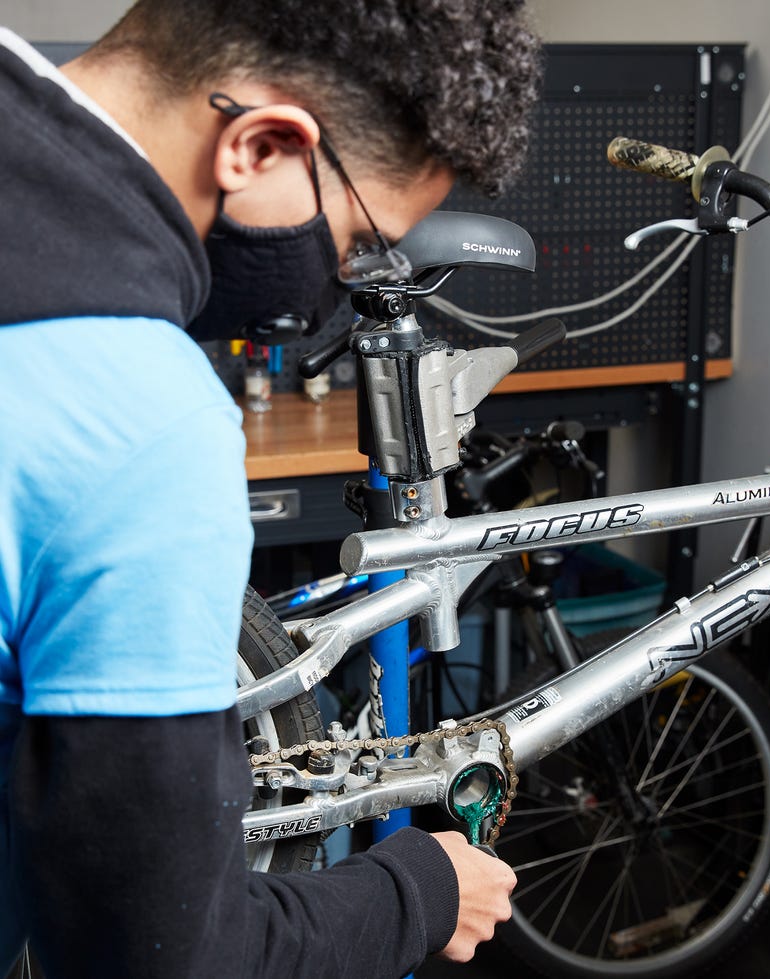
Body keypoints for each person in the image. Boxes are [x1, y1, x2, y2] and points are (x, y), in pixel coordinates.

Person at [0, 2, 541, 976]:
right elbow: (163, 960)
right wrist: (418, 889)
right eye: (358, 241)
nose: (341, 280)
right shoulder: (140, 423)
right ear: (258, 147)